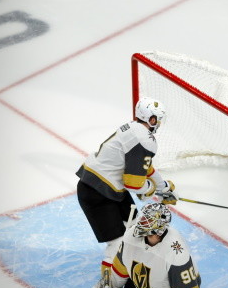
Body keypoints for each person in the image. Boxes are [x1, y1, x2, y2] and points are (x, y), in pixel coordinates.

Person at [76, 97, 178, 277]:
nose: (159, 124)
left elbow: (145, 168)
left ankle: (129, 273)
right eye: (158, 119)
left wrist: (163, 187)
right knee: (117, 243)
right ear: (152, 119)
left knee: (134, 229)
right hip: (97, 193)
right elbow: (134, 183)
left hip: (107, 188)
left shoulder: (133, 128)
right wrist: (151, 191)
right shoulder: (144, 139)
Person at [89, 202, 204, 288]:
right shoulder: (131, 236)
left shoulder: (176, 252)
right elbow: (121, 267)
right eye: (142, 218)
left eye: (147, 220)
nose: (141, 222)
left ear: (159, 227)